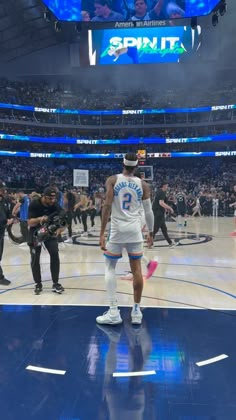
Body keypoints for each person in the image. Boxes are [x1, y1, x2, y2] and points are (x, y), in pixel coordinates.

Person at [97, 153, 154, 326]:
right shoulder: (143, 184)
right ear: (137, 166)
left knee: (110, 267)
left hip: (117, 229)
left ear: (123, 163)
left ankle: (114, 311)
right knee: (136, 270)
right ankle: (136, 311)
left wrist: (101, 233)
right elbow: (149, 211)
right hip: (135, 230)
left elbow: (107, 205)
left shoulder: (113, 180)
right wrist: (150, 232)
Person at [27, 187, 66, 295]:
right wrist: (40, 219)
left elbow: (62, 214)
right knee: (35, 258)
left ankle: (55, 282)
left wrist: (60, 227)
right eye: (50, 198)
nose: (52, 201)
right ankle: (38, 283)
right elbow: (30, 222)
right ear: (43, 197)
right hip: (36, 233)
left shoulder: (54, 204)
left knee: (55, 254)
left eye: (54, 198)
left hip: (49, 232)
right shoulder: (34, 204)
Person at [152, 181, 179, 248]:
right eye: (167, 186)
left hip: (159, 212)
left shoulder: (159, 191)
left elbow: (161, 202)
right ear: (164, 185)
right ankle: (150, 244)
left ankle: (170, 243)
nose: (168, 187)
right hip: (158, 213)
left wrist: (166, 208)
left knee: (164, 229)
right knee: (155, 229)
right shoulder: (161, 192)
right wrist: (170, 208)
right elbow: (161, 203)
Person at [0, 183, 13, 285]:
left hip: (1, 232)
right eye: (1, 189)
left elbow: (8, 213)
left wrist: (10, 218)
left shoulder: (4, 201)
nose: (4, 191)